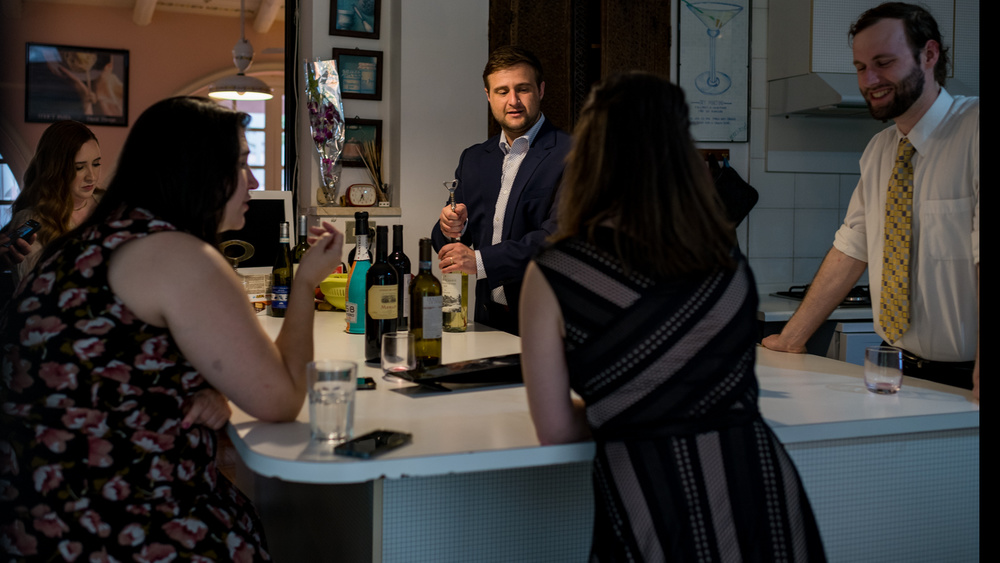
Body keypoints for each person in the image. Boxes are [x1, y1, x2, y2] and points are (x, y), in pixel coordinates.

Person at [1, 97, 345, 560]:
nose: (255, 180)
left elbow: (115, 367)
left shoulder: (100, 237)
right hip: (107, 524)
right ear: (198, 171)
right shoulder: (180, 255)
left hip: (36, 510)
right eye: (242, 164)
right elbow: (280, 399)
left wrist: (199, 390)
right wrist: (305, 282)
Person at [520, 72, 827, 562]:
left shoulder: (557, 272)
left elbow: (555, 428)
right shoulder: (722, 256)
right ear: (683, 154)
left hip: (648, 497)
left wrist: (623, 405)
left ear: (590, 156)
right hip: (759, 489)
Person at [761, 2, 979, 400]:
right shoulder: (881, 150)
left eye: (883, 62)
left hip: (970, 379)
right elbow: (852, 247)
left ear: (929, 55)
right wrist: (790, 339)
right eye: (861, 67)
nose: (869, 79)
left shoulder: (974, 131)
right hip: (896, 371)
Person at [431, 45, 571, 334]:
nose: (514, 101)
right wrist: (449, 226)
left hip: (549, 318)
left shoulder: (574, 153)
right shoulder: (473, 158)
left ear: (541, 90)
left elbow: (559, 239)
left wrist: (479, 261)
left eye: (523, 89)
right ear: (488, 96)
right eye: (502, 91)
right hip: (487, 318)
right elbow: (452, 240)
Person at [3, 120, 103, 291]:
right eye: (79, 167)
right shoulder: (31, 220)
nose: (91, 177)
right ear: (54, 169)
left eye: (96, 164)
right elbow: (32, 294)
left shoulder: (110, 205)